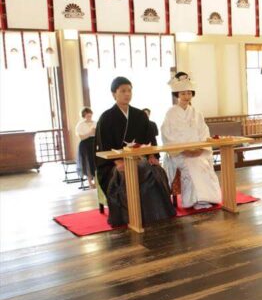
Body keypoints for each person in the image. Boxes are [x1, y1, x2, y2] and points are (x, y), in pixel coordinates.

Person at [94, 76, 175, 226]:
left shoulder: (140, 115)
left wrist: (152, 155)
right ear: (114, 94)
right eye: (123, 91)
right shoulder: (106, 118)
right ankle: (130, 216)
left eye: (129, 90)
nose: (127, 94)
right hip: (114, 163)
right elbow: (103, 144)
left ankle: (156, 213)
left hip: (139, 159)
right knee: (126, 174)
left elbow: (150, 138)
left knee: (155, 171)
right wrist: (117, 161)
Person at [161, 74, 222, 209]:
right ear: (177, 94)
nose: (186, 96)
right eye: (183, 93)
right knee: (192, 166)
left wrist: (200, 149)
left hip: (199, 151)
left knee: (203, 164)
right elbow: (167, 135)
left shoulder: (197, 113)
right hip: (180, 153)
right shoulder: (170, 113)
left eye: (189, 93)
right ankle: (194, 200)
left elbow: (204, 132)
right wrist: (185, 150)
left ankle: (209, 198)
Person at [75, 107, 96, 189]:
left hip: (94, 143)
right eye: (87, 113)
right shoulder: (80, 125)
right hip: (85, 145)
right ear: (84, 115)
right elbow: (81, 137)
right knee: (87, 163)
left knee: (95, 162)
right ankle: (90, 183)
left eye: (90, 113)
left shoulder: (95, 122)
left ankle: (96, 182)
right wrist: (90, 132)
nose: (89, 115)